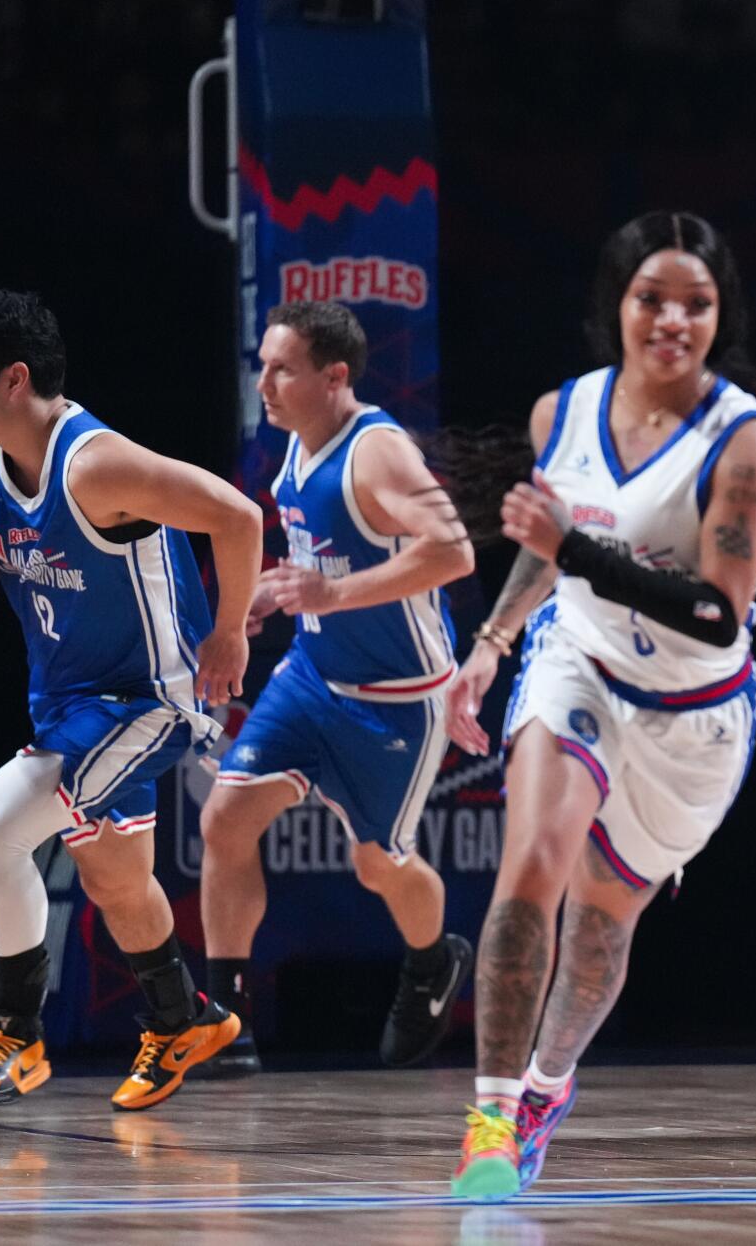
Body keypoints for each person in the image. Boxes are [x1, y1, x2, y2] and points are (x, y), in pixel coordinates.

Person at [444, 212, 756, 1202]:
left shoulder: (745, 443)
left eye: (696, 303)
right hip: (579, 665)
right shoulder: (565, 412)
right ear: (617, 306)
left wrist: (573, 551)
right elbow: (543, 554)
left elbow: (718, 614)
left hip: (695, 711)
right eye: (651, 298)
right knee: (532, 863)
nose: (672, 319)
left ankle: (548, 1085)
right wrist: (490, 645)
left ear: (720, 317)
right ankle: (489, 1120)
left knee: (599, 927)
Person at [0, 289, 263, 1109]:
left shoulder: (95, 465)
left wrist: (231, 630)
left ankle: (17, 1032)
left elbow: (239, 515)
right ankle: (182, 1018)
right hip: (72, 711)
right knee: (114, 880)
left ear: (14, 378)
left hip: (155, 699)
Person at [197, 302, 477, 1076]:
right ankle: (226, 1019)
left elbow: (452, 552)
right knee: (225, 819)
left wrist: (333, 595)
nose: (266, 381)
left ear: (336, 377)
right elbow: (315, 561)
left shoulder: (377, 451)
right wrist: (266, 597)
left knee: (376, 865)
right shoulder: (295, 443)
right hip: (312, 676)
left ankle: (431, 962)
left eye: (282, 367)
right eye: (263, 363)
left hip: (395, 696)